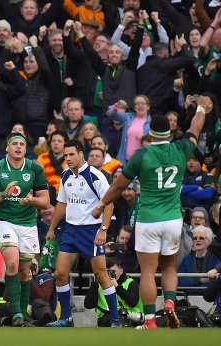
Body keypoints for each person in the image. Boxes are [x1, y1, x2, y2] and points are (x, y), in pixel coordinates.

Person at [92, 95, 211, 329]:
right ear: (168, 132)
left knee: (148, 270)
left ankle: (149, 321)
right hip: (173, 219)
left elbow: (118, 186)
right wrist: (201, 108)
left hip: (148, 219)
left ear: (151, 133)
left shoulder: (141, 155)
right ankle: (169, 304)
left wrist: (101, 205)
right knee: (169, 267)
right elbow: (195, 127)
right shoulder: (181, 148)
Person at [44, 139, 119, 327]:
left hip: (91, 231)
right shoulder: (65, 176)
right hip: (71, 230)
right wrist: (52, 228)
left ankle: (116, 320)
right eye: (65, 155)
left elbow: (109, 203)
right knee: (60, 274)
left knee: (101, 275)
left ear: (80, 154)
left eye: (71, 155)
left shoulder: (96, 176)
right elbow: (61, 203)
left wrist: (103, 229)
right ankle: (66, 318)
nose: (67, 158)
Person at [0, 132, 50, 327]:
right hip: (5, 221)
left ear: (25, 149)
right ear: (7, 148)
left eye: (22, 144)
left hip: (28, 223)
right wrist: (3, 193)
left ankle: (23, 310)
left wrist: (31, 200)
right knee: (12, 262)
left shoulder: (34, 168)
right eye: (15, 144)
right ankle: (17, 312)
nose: (18, 147)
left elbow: (45, 201)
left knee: (25, 271)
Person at [84, 257, 143, 327]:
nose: (110, 274)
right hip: (106, 319)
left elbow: (133, 302)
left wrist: (117, 286)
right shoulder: (99, 285)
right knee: (107, 320)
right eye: (107, 272)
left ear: (121, 271)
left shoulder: (130, 283)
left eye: (113, 271)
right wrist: (95, 283)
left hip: (130, 319)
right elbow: (88, 305)